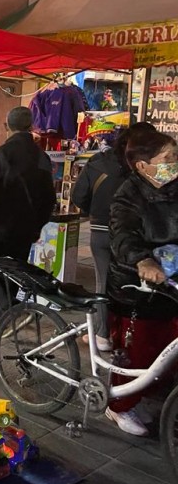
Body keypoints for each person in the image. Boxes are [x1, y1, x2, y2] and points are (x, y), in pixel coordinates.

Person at [105, 126, 178, 436]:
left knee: (168, 351)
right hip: (137, 289)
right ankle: (119, 406)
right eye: (170, 158)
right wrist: (143, 260)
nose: (175, 163)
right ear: (143, 165)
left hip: (172, 286)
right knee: (138, 353)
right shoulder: (127, 196)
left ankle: (156, 394)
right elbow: (122, 236)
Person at [0, 107, 56, 323]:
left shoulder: (2, 153)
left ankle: (11, 309)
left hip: (0, 224)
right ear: (30, 126)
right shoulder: (41, 157)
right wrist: (37, 225)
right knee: (13, 270)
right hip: (26, 226)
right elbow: (49, 199)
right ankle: (2, 315)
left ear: (7, 126)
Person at [71, 128, 132, 352]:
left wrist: (94, 212)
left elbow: (79, 196)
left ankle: (103, 334)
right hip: (133, 234)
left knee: (103, 281)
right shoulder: (143, 166)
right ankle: (120, 332)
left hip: (102, 229)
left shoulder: (98, 162)